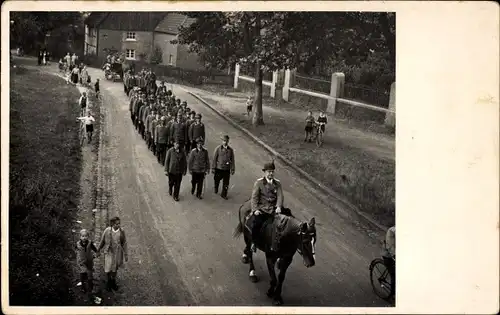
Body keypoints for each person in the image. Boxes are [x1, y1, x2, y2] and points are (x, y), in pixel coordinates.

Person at [249, 161, 284, 252]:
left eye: (272, 171)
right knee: (257, 224)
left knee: (283, 224)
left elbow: (280, 196)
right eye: (269, 171)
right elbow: (254, 197)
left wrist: (278, 206)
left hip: (273, 210)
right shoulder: (259, 183)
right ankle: (254, 243)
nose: (271, 173)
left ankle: (278, 245)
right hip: (262, 209)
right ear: (264, 172)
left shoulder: (277, 183)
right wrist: (255, 209)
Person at [97, 217, 128, 291]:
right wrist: (98, 250)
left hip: (117, 253)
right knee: (108, 268)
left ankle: (113, 282)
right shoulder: (107, 231)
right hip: (108, 252)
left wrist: (126, 254)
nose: (118, 225)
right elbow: (102, 241)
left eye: (119, 223)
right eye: (116, 224)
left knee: (114, 268)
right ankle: (108, 281)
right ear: (112, 224)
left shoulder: (121, 231)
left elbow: (124, 243)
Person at [76, 229, 99, 295]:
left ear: (88, 237)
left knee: (90, 273)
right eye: (83, 236)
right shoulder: (78, 244)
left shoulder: (89, 243)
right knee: (82, 273)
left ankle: (90, 286)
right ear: (80, 237)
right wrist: (78, 256)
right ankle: (83, 286)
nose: (84, 237)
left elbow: (94, 248)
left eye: (86, 236)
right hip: (82, 261)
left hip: (89, 260)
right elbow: (76, 250)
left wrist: (97, 253)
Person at [212, 135, 235, 200]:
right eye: (224, 141)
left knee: (226, 182)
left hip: (226, 169)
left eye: (226, 141)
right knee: (216, 179)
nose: (225, 142)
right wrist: (213, 168)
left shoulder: (230, 150)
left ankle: (224, 194)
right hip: (219, 168)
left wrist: (232, 169)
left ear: (228, 141)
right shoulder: (218, 149)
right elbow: (214, 159)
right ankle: (216, 187)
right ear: (222, 141)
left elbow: (232, 160)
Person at [383, 225, 396, 295]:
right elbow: (390, 246)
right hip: (389, 255)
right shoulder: (392, 231)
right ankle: (393, 294)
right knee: (395, 274)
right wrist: (395, 255)